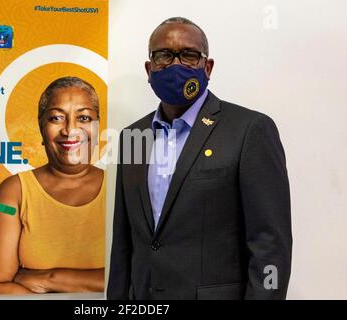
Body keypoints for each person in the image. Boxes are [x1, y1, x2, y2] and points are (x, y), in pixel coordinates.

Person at [108, 17, 292, 300]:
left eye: (189, 55)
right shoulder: (133, 135)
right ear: (149, 68)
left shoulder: (249, 130)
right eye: (164, 55)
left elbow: (270, 245)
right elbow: (124, 242)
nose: (175, 65)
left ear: (208, 67)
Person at [0, 76, 105, 294]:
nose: (70, 130)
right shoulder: (13, 193)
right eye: (56, 118)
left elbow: (140, 279)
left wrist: (49, 279)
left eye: (83, 117)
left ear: (97, 127)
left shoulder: (123, 187)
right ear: (41, 127)